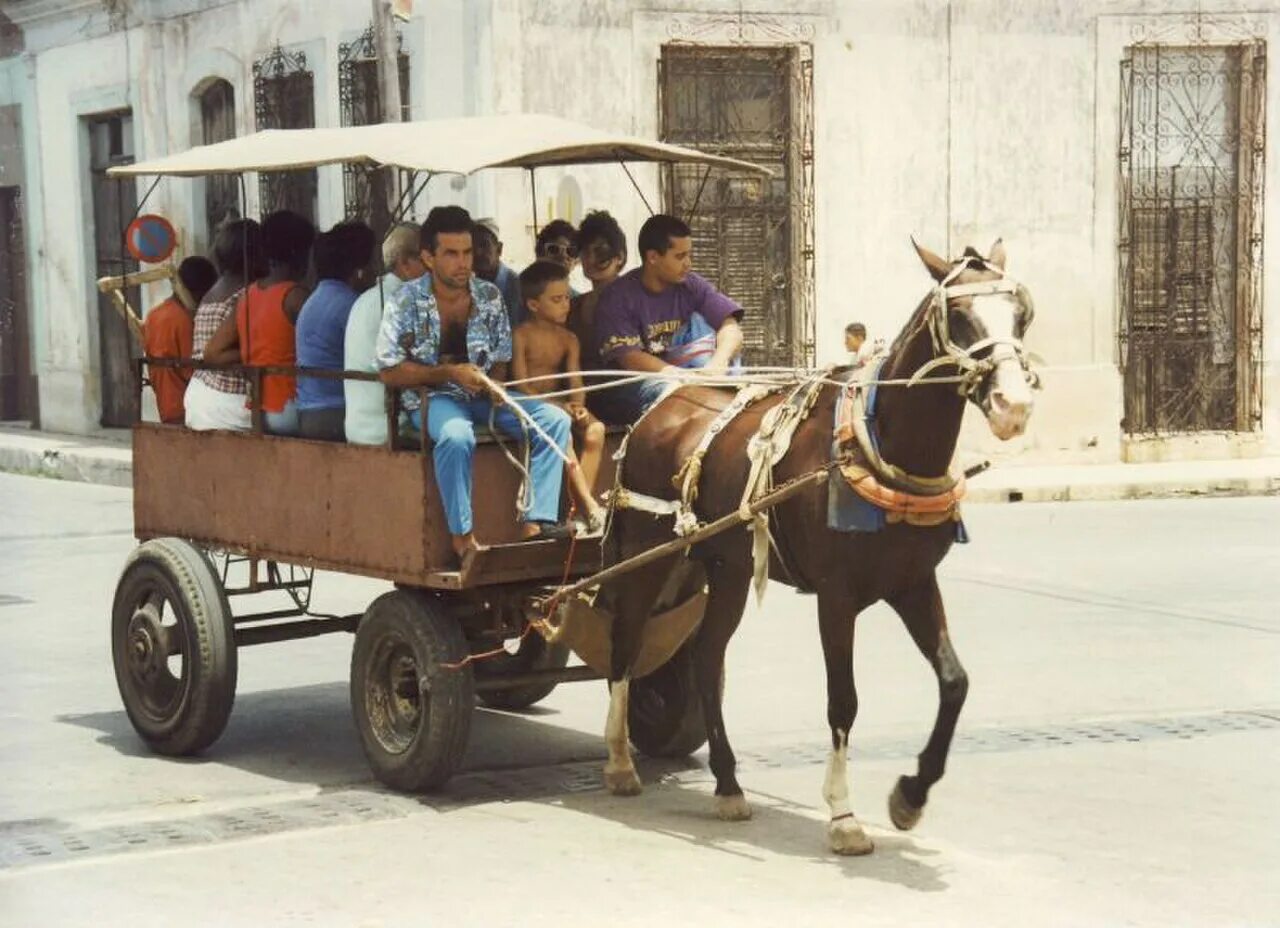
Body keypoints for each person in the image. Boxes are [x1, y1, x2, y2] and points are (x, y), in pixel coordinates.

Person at [375, 206, 573, 561]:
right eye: (451, 253)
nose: (463, 262)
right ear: (428, 257)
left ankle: (536, 522)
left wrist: (495, 386)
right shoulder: (404, 300)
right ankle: (462, 536)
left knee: (554, 420)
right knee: (456, 436)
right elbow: (389, 371)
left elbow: (499, 356)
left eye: (467, 252)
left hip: (483, 395)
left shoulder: (490, 296)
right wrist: (449, 374)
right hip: (431, 400)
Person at [590, 214, 744, 425]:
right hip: (630, 385)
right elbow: (630, 358)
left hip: (685, 377)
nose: (688, 264)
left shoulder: (691, 285)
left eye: (689, 255)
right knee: (677, 396)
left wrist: (718, 363)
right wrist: (682, 377)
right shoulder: (617, 298)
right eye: (680, 257)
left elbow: (731, 327)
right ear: (653, 257)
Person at [512, 260, 607, 533]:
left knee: (596, 430)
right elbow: (521, 385)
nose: (566, 304)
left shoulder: (569, 339)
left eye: (567, 297)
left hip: (563, 403)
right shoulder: (520, 335)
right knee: (561, 432)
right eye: (556, 299)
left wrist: (578, 406)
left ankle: (575, 515)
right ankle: (588, 508)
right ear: (533, 305)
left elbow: (576, 382)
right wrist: (558, 406)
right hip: (536, 406)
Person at [204, 210, 315, 435]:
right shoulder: (297, 296)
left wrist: (252, 352)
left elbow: (212, 353)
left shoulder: (248, 295)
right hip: (290, 406)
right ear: (302, 254)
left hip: (258, 409)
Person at [344, 222, 426, 446]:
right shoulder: (399, 300)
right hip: (389, 426)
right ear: (405, 262)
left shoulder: (369, 297)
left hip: (360, 425)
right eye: (425, 257)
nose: (433, 265)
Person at [294, 221, 377, 441]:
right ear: (359, 270)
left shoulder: (314, 299)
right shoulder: (351, 305)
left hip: (308, 412)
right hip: (336, 413)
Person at [185, 219, 263, 431]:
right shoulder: (245, 295)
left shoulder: (212, 292)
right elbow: (216, 354)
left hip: (199, 396)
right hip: (229, 403)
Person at [143, 256, 217, 424]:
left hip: (166, 403)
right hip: (183, 407)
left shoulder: (154, 314)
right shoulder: (183, 320)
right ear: (201, 292)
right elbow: (193, 371)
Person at [568, 209, 627, 371]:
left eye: (600, 251)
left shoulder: (635, 300)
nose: (591, 259)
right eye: (586, 252)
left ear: (620, 257)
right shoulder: (572, 306)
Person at [472, 218, 523, 331]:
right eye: (471, 247)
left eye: (484, 245)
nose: (477, 252)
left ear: (499, 249)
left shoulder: (519, 287)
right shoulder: (468, 288)